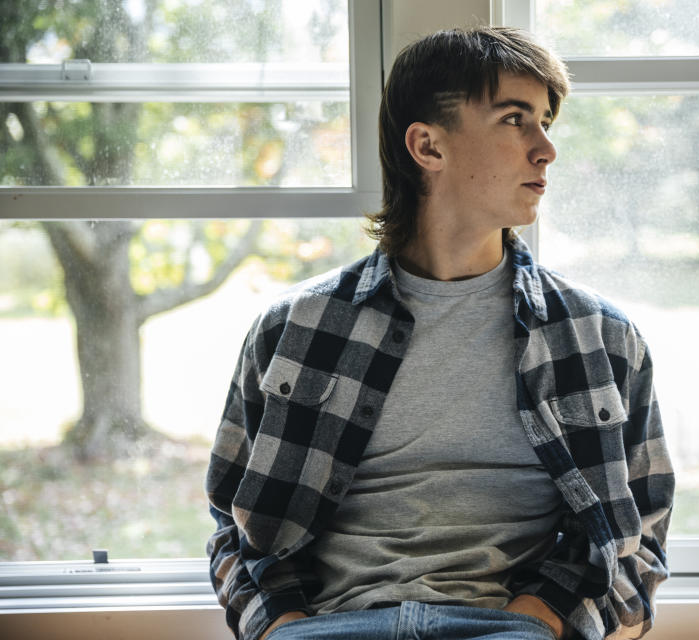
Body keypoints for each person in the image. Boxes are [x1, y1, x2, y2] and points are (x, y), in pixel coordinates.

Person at [205, 25, 674, 640]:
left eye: (545, 123)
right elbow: (231, 524)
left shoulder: (599, 337)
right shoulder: (295, 329)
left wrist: (546, 619)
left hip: (506, 628)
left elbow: (641, 534)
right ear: (427, 147)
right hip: (331, 626)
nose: (545, 149)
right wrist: (279, 626)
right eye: (515, 120)